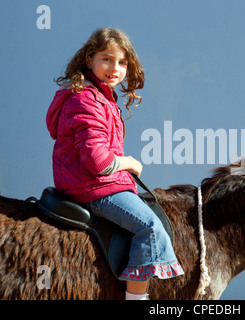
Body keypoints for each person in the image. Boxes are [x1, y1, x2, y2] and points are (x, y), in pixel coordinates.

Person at [46, 28, 184, 300]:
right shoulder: (87, 99)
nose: (114, 68)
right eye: (107, 59)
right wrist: (128, 163)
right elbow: (97, 161)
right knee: (150, 227)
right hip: (92, 187)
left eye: (122, 63)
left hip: (93, 182)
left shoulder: (102, 97)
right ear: (89, 59)